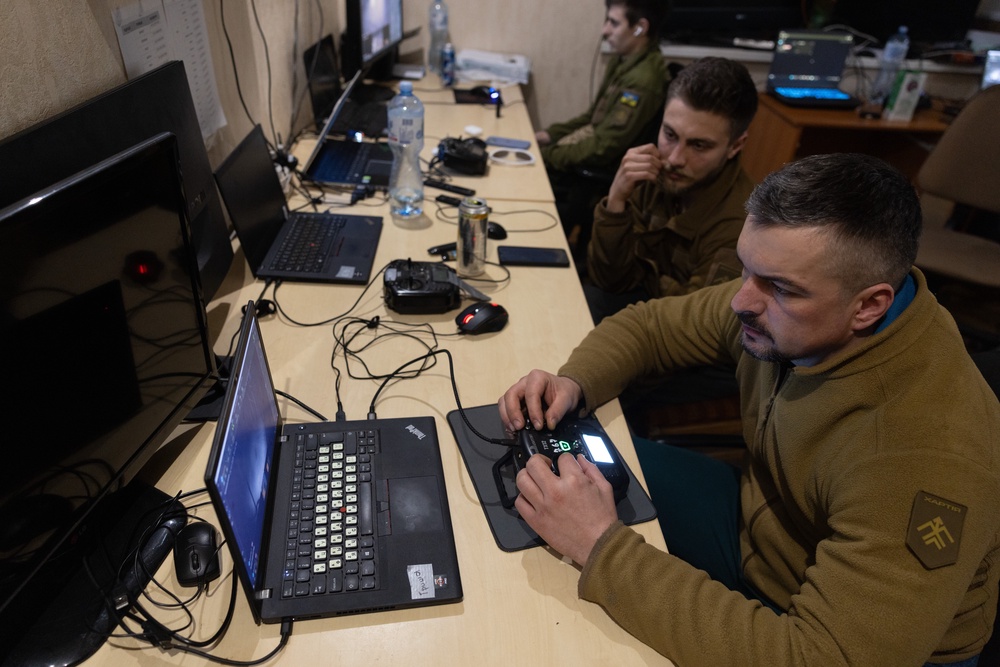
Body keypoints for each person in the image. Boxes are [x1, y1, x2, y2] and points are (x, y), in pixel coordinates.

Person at [498, 153, 1000, 666]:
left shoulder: (923, 455)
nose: (741, 301)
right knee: (565, 466)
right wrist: (574, 381)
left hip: (830, 636)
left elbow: (818, 657)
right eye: (746, 268)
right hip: (762, 527)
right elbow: (650, 327)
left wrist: (600, 545)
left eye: (779, 287)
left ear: (869, 305)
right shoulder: (795, 305)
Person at [584, 56, 758, 324]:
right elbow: (609, 280)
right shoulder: (653, 174)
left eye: (698, 145)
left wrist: (644, 276)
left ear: (736, 146)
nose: (675, 158)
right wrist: (616, 201)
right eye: (670, 135)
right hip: (644, 311)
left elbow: (689, 328)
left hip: (681, 340)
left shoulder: (740, 225)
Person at [538, 0, 668, 251]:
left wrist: (548, 155)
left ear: (640, 28)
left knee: (532, 173)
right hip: (593, 155)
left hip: (602, 167)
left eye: (614, 22)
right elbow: (591, 118)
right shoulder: (625, 62)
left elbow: (604, 147)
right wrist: (548, 135)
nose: (604, 30)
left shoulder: (642, 80)